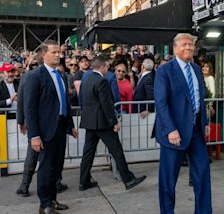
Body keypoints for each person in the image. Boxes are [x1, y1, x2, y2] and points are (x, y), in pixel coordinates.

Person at [154, 33, 212, 214]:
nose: (188, 48)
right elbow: (161, 103)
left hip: (196, 132)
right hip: (174, 134)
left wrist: (205, 121)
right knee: (168, 180)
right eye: (184, 45)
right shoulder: (165, 71)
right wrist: (170, 129)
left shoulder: (195, 69)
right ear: (175, 48)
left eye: (191, 45)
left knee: (203, 175)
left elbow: (199, 98)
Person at [24, 40, 78, 214]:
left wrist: (70, 126)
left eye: (59, 52)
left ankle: (53, 200)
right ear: (43, 54)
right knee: (46, 168)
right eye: (54, 52)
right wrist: (34, 135)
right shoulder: (35, 76)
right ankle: (44, 205)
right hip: (45, 131)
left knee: (57, 167)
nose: (58, 55)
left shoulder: (60, 76)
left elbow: (64, 103)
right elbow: (30, 108)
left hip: (60, 128)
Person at [79, 55, 146, 191]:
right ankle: (128, 179)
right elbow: (107, 104)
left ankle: (83, 181)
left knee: (88, 152)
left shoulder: (86, 79)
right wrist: (114, 122)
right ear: (103, 67)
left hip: (89, 122)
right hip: (102, 122)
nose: (108, 70)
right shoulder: (101, 81)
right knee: (116, 149)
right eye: (107, 67)